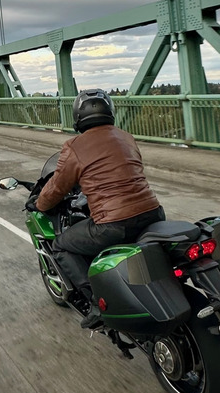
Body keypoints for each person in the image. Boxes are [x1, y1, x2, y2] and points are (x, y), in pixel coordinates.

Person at [26, 89, 165, 329]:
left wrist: (38, 204)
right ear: (110, 112)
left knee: (60, 246)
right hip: (153, 213)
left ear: (78, 117)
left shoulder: (74, 146)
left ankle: (96, 303)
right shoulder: (126, 137)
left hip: (114, 223)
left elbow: (57, 188)